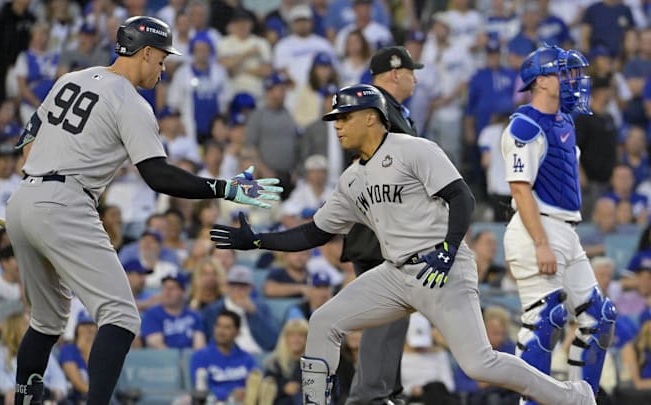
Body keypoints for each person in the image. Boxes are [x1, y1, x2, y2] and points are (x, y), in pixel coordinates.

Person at [210, 84, 595, 405]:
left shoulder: (414, 149)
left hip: (441, 268)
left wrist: (447, 248)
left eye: (345, 117)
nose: (338, 126)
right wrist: (258, 239)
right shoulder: (350, 180)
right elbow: (314, 233)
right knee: (324, 321)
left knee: (479, 365)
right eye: (335, 119)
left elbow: (462, 197)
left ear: (371, 117)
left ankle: (571, 397)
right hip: (395, 273)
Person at [5, 16, 282, 405]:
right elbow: (158, 175)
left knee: (47, 322)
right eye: (163, 58)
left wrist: (38, 200)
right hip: (65, 202)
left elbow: (26, 142)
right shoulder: (130, 101)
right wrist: (225, 188)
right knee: (121, 317)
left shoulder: (71, 78)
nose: (164, 67)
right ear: (146, 51)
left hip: (24, 197)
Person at [501, 45, 615, 404]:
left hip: (567, 231)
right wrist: (540, 243)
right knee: (544, 321)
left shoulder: (565, 121)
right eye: (564, 74)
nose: (573, 81)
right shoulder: (524, 125)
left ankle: (583, 399)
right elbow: (520, 189)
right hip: (537, 228)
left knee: (600, 317)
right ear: (540, 81)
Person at [340, 45, 423, 405]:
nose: (415, 79)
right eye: (411, 72)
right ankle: (368, 396)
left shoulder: (395, 112)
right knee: (385, 313)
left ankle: (387, 391)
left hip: (392, 231)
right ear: (394, 74)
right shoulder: (373, 110)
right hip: (378, 232)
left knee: (398, 312)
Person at [190, 309, 259, 403]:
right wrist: (231, 393)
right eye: (218, 326)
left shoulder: (247, 359)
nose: (221, 331)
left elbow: (257, 383)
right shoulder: (200, 356)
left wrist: (246, 392)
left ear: (237, 333)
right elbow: (201, 389)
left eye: (227, 327)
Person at [140, 272, 206, 349]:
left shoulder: (194, 316)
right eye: (165, 288)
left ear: (183, 292)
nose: (167, 292)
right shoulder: (152, 314)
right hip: (161, 359)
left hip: (190, 358)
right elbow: (157, 345)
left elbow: (199, 346)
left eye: (172, 288)